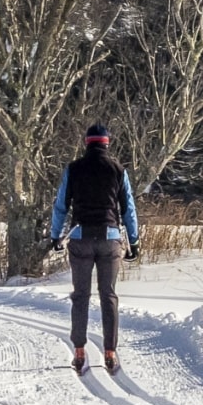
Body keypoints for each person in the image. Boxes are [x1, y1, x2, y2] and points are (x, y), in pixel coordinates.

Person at [48, 123, 140, 374]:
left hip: (81, 238)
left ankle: (79, 352)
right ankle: (110, 353)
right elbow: (128, 209)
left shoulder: (74, 169)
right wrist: (134, 240)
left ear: (87, 143)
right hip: (110, 238)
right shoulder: (118, 170)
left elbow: (60, 205)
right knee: (108, 295)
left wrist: (55, 235)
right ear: (107, 143)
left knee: (81, 295)